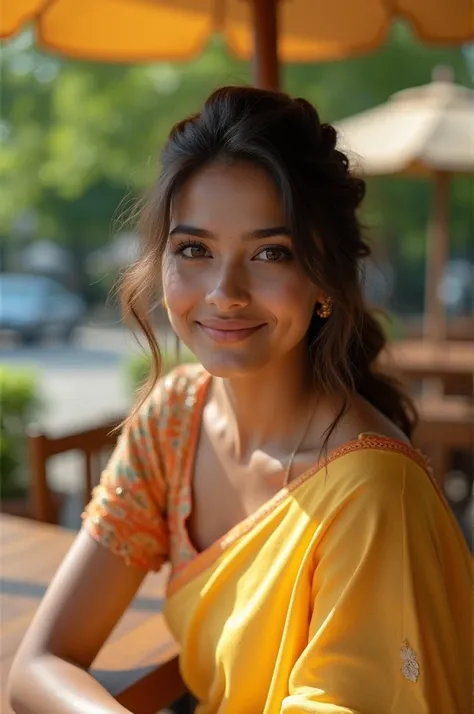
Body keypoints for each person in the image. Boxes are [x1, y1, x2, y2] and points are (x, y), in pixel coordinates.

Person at [8, 87, 471, 714]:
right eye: (194, 249)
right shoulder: (175, 418)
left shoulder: (370, 495)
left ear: (326, 279)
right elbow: (39, 664)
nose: (225, 292)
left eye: (270, 253)